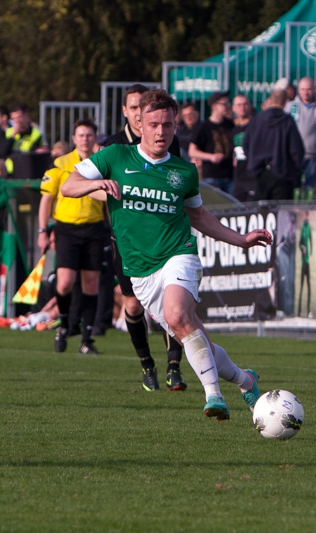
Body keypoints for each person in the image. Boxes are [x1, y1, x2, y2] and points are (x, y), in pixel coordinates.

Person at [62, 89, 272, 422]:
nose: (162, 132)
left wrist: (241, 240)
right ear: (139, 124)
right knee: (191, 333)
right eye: (155, 124)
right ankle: (246, 379)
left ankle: (214, 396)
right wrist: (98, 184)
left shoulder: (184, 172)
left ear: (176, 126)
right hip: (140, 270)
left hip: (178, 254)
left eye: (169, 125)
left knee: (177, 316)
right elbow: (67, 186)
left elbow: (199, 217)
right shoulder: (114, 156)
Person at [103, 83, 184, 392]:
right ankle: (147, 364)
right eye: (134, 108)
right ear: (126, 111)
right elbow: (89, 187)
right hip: (127, 242)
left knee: (171, 306)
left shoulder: (167, 142)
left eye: (143, 107)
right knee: (134, 307)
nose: (139, 113)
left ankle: (174, 367)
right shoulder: (113, 148)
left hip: (164, 239)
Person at [38, 119, 107, 355]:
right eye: (81, 135)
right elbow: (46, 198)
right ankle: (65, 325)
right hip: (66, 228)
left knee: (91, 283)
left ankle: (86, 338)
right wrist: (42, 230)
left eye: (89, 135)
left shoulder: (102, 162)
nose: (85, 139)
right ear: (74, 138)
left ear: (95, 138)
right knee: (65, 282)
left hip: (94, 228)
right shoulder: (61, 162)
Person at [242, 90, 305, 200]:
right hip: (282, 173)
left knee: (260, 214)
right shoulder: (287, 120)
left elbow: (246, 145)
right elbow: (297, 150)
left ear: (270, 100)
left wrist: (254, 160)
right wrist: (296, 172)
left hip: (258, 173)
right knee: (281, 213)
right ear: (285, 102)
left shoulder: (257, 120)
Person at [189, 91, 235, 194]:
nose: (228, 106)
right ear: (214, 106)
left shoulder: (230, 124)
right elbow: (192, 151)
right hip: (212, 176)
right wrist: (210, 156)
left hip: (230, 175)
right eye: (224, 104)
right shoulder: (204, 126)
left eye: (228, 103)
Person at [285, 77, 316, 192]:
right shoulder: (290, 107)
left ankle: (309, 210)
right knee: (294, 188)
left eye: (308, 89)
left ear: (314, 89)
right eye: (302, 89)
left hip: (312, 155)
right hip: (294, 156)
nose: (305, 93)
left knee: (311, 188)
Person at [1, 104, 48, 177]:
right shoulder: (9, 132)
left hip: (27, 172)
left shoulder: (36, 134)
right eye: (14, 118)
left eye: (19, 117)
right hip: (9, 172)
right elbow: (3, 153)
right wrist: (12, 136)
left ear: (26, 116)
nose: (17, 121)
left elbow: (33, 155)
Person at [230, 95, 255, 202]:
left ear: (250, 106)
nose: (242, 107)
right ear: (233, 108)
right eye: (239, 105)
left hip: (253, 176)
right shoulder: (233, 130)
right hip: (238, 177)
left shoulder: (256, 126)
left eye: (245, 104)